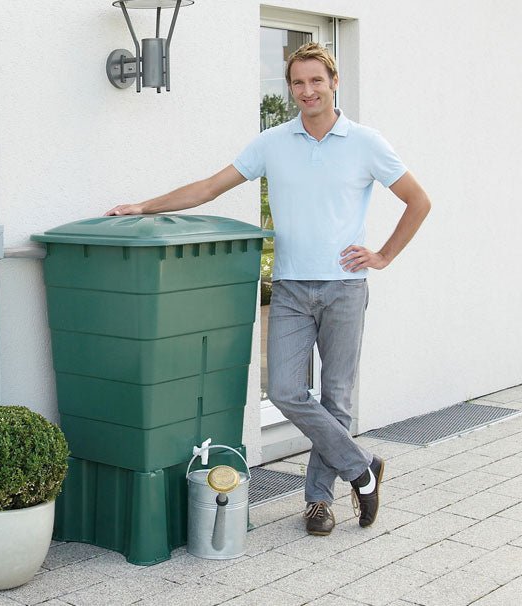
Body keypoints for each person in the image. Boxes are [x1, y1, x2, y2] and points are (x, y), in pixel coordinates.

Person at [105, 42, 431, 536]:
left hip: (346, 288)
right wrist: (144, 206)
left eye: (316, 80)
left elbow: (418, 201)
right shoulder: (272, 143)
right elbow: (209, 187)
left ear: (334, 82)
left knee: (337, 399)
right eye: (298, 82)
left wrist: (383, 255)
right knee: (284, 390)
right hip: (292, 286)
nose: (307, 90)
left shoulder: (366, 142)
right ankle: (362, 467)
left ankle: (318, 501)